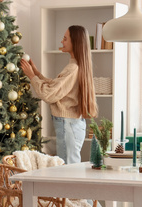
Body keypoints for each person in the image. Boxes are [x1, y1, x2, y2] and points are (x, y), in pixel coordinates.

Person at [20, 25, 97, 164]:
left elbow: (49, 94)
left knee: (67, 168)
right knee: (68, 166)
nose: (62, 41)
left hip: (68, 124)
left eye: (65, 38)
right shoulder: (76, 65)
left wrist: (32, 77)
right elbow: (57, 86)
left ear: (75, 43)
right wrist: (37, 74)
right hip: (71, 123)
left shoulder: (73, 68)